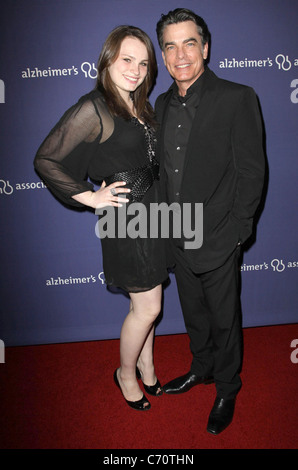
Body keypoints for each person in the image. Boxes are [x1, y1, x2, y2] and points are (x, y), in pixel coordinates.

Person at [34, 25, 168, 411]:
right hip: (128, 220)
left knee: (145, 303)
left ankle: (147, 365)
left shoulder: (140, 106)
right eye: (127, 59)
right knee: (149, 307)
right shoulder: (93, 107)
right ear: (108, 59)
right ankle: (125, 374)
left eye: (143, 63)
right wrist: (91, 197)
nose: (136, 69)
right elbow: (46, 159)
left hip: (156, 214)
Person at [155, 9, 265, 433]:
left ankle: (227, 386)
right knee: (193, 313)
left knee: (224, 318)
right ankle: (200, 368)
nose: (180, 54)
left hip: (219, 235)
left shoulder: (237, 97)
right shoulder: (160, 105)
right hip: (176, 233)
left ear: (205, 47)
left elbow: (252, 171)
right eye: (170, 45)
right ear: (163, 55)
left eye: (188, 43)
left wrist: (238, 231)